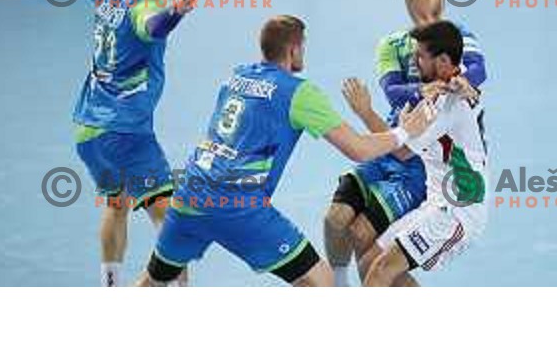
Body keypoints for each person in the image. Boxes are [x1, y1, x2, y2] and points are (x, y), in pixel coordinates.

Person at [139, 15, 436, 287]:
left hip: (189, 193)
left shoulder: (237, 76)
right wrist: (405, 131)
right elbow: (358, 149)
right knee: (321, 282)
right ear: (293, 50)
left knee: (151, 282)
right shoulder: (298, 91)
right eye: (302, 47)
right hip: (238, 205)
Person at [41, 0, 198, 286]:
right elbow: (152, 26)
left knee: (116, 204)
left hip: (89, 132)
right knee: (171, 222)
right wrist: (175, 12)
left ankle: (109, 286)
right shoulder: (144, 8)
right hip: (126, 133)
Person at [324, 0, 487, 286]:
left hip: (456, 209)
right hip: (434, 202)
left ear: (441, 62)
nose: (413, 64)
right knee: (372, 259)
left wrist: (366, 112)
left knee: (380, 272)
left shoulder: (447, 100)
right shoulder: (440, 89)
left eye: (420, 58)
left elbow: (399, 150)